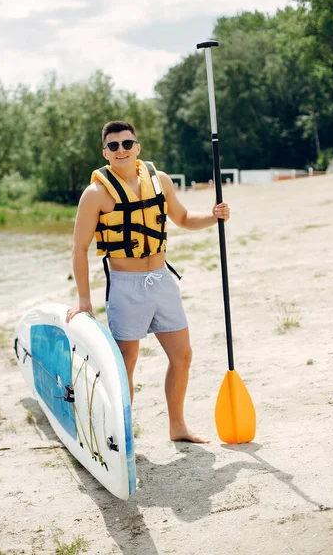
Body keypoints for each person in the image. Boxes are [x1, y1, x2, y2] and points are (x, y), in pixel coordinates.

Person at [66, 120, 230, 443]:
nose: (121, 150)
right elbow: (79, 248)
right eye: (114, 146)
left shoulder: (161, 181)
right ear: (106, 153)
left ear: (137, 147)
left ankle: (177, 426)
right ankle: (120, 433)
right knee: (126, 361)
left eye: (127, 143)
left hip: (161, 281)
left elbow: (182, 218)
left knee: (182, 355)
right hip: (125, 286)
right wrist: (84, 300)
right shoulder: (95, 194)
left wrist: (214, 216)